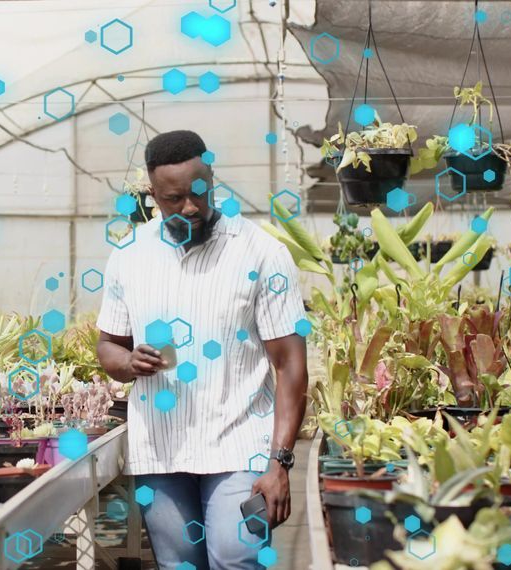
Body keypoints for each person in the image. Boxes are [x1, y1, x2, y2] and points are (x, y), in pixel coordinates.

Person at [95, 130, 309, 569]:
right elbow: (108, 346)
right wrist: (129, 363)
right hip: (160, 450)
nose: (190, 207)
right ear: (153, 195)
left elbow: (290, 365)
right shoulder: (129, 256)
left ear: (212, 178)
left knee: (235, 558)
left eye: (199, 191)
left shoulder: (261, 253)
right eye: (174, 199)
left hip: (240, 444)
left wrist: (280, 463)